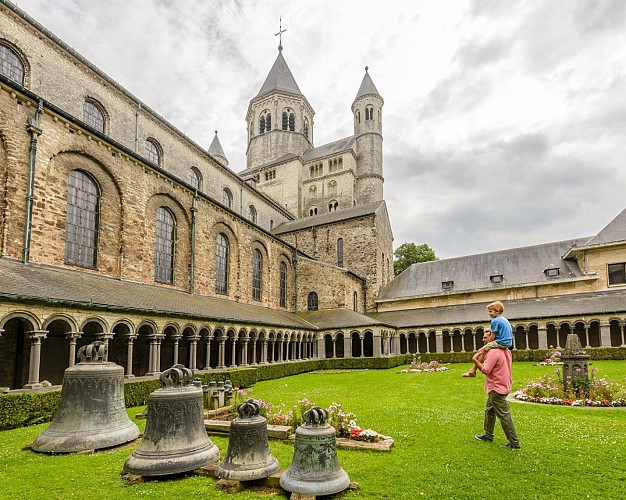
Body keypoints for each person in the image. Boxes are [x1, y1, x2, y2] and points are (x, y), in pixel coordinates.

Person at [473, 329, 521, 449]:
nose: (483, 340)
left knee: (504, 415)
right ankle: (488, 435)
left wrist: (475, 361)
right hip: (503, 385)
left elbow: (486, 370)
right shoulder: (506, 350)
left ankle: (514, 443)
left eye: (485, 337)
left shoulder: (493, 352)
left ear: (493, 338)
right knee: (490, 409)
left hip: (496, 387)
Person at [462, 300, 513, 377]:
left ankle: (473, 371)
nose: (489, 314)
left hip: (501, 342)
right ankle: (474, 370)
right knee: (485, 350)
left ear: (497, 311)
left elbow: (492, 335)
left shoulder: (495, 321)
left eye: (490, 311)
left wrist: (487, 344)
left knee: (481, 351)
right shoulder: (504, 319)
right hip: (508, 343)